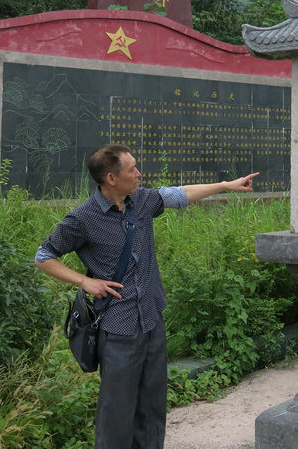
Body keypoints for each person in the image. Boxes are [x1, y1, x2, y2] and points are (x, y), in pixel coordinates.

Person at [35, 143, 258, 449]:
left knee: (152, 407)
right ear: (111, 178)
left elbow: (181, 194)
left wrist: (225, 186)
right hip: (118, 328)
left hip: (152, 319)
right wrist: (85, 281)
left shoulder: (142, 200)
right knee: (117, 412)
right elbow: (44, 256)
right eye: (132, 169)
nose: (139, 174)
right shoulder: (82, 219)